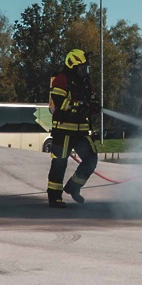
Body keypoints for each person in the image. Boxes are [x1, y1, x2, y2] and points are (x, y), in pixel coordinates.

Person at [46, 48, 98, 207]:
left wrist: (93, 106)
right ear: (72, 65)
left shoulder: (86, 82)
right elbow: (59, 102)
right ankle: (55, 197)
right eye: (81, 67)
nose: (84, 70)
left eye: (85, 68)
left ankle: (73, 187)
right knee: (59, 163)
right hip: (63, 131)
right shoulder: (62, 80)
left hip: (81, 131)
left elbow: (91, 99)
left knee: (91, 159)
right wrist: (78, 106)